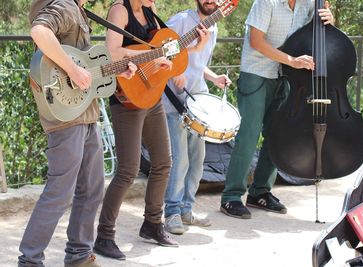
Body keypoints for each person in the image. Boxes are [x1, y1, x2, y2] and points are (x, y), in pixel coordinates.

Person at [19, 0, 136, 266]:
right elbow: (40, 32)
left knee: (93, 188)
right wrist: (72, 70)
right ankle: (30, 260)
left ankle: (80, 255)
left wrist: (119, 72)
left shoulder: (78, 9)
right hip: (66, 117)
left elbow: (88, 71)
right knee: (60, 191)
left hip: (85, 113)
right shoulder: (65, 6)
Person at [220, 0, 335, 219]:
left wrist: (329, 16)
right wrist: (291, 60)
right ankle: (231, 197)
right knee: (248, 136)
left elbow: (322, 20)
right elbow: (256, 41)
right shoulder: (266, 2)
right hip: (256, 73)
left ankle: (260, 192)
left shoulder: (307, 4)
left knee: (277, 136)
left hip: (285, 76)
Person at [93, 0, 189, 260]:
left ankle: (152, 224)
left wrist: (165, 61)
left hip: (152, 95)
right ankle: (104, 236)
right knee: (127, 170)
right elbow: (112, 53)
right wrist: (150, 55)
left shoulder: (150, 13)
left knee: (163, 162)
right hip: (127, 98)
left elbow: (163, 50)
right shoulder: (119, 10)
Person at [162, 0, 231, 234]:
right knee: (179, 160)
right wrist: (175, 70)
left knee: (197, 159)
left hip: (198, 101)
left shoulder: (213, 27)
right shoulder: (180, 21)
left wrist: (214, 78)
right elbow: (159, 53)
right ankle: (171, 213)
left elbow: (199, 64)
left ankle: (186, 210)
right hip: (175, 100)